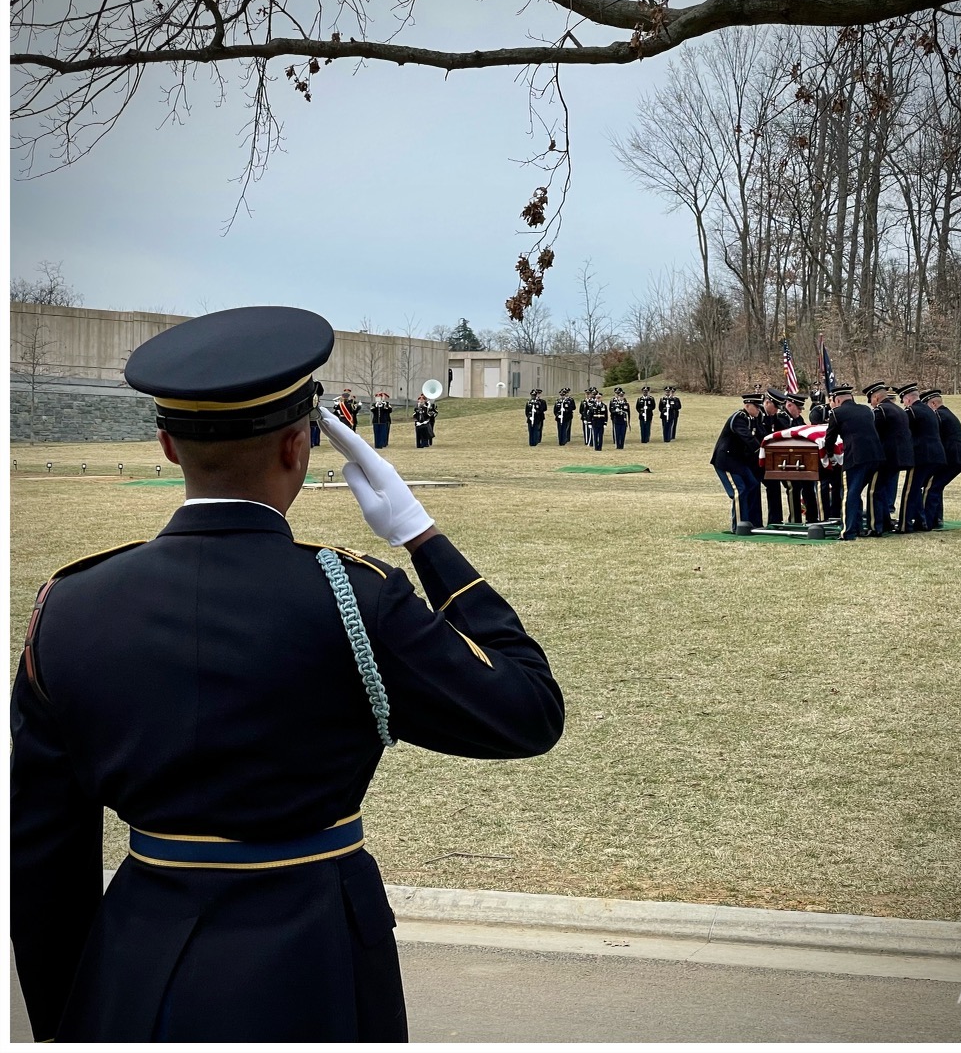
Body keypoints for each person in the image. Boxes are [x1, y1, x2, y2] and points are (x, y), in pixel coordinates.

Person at [9, 305, 565, 1043]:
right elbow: (528, 710)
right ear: (298, 446)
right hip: (321, 964)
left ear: (168, 445)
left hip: (138, 968)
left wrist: (70, 1021)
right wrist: (419, 535)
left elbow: (41, 865)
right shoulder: (355, 597)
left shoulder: (69, 608)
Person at [821, 384, 884, 541]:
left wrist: (829, 455)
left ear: (838, 400)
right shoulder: (866, 410)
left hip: (856, 457)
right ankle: (866, 527)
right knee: (865, 492)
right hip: (876, 456)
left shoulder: (837, 413)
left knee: (850, 493)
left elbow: (830, 438)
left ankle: (848, 532)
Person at [710, 392, 765, 531]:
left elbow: (761, 435)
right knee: (739, 490)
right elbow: (748, 438)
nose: (759, 410)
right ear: (747, 405)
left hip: (738, 461)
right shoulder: (739, 418)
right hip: (726, 461)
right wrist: (761, 451)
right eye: (756, 407)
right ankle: (740, 526)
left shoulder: (752, 418)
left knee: (752, 483)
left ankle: (751, 522)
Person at [895, 382, 945, 532]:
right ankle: (921, 520)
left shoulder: (912, 411)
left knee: (910, 490)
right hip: (936, 455)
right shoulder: (928, 410)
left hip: (921, 456)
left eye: (903, 400)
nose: (904, 403)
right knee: (917, 489)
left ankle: (904, 525)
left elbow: (901, 430)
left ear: (908, 400)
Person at [866, 381, 912, 536]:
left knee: (874, 491)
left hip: (886, 458)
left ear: (877, 397)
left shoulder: (881, 411)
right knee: (883, 491)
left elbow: (873, 434)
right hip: (900, 457)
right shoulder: (898, 410)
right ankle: (885, 522)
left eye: (871, 399)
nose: (871, 403)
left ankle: (875, 526)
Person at [921, 389, 961, 529]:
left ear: (933, 403)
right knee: (936, 486)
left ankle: (927, 521)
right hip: (957, 456)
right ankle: (936, 519)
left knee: (930, 487)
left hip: (952, 457)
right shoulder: (946, 413)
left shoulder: (938, 415)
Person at [782, 392, 819, 524]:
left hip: (801, 460)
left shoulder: (797, 419)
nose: (799, 411)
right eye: (798, 408)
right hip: (786, 461)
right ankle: (794, 520)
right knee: (794, 488)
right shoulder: (782, 418)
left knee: (809, 485)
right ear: (789, 405)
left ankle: (812, 518)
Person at [809, 388, 841, 519]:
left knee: (838, 485)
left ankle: (836, 514)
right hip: (822, 456)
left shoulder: (842, 413)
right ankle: (823, 516)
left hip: (839, 456)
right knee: (822, 486)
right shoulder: (819, 411)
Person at [761, 387, 788, 525]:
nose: (776, 410)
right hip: (756, 459)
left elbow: (782, 430)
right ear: (767, 402)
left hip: (768, 459)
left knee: (774, 484)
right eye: (775, 406)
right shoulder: (759, 415)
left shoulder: (773, 416)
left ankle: (775, 520)